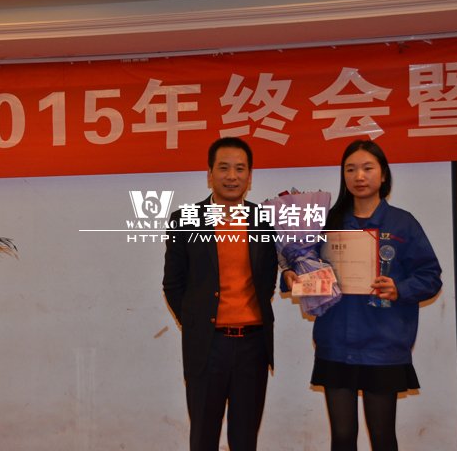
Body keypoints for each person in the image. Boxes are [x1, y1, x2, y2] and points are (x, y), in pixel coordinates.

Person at [283, 139, 442, 451]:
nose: (359, 176)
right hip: (335, 343)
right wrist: (291, 276)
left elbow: (430, 276)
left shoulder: (403, 223)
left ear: (383, 175)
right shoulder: (326, 223)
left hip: (383, 344)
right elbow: (302, 264)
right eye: (350, 169)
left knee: (383, 438)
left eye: (368, 168)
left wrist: (400, 289)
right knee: (342, 437)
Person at [163, 137, 278, 451]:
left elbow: (267, 280)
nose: (232, 176)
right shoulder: (186, 220)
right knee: (203, 437)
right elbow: (173, 284)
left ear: (250, 177)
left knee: (245, 439)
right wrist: (196, 322)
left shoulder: (262, 221)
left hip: (253, 347)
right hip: (207, 347)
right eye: (223, 168)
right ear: (209, 174)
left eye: (240, 169)